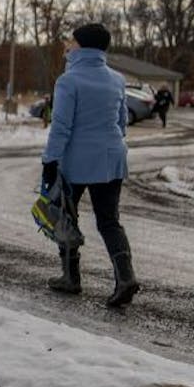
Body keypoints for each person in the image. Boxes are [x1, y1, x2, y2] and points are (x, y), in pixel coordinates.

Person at [41, 23, 141, 308]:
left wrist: (50, 161)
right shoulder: (117, 79)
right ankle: (125, 277)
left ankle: (71, 278)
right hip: (113, 157)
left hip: (77, 160)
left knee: (64, 217)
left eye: (70, 41)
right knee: (109, 220)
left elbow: (61, 127)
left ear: (82, 46)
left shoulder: (69, 81)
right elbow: (122, 124)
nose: (67, 45)